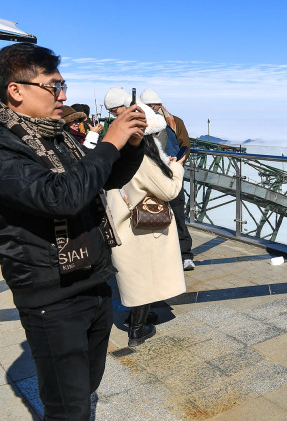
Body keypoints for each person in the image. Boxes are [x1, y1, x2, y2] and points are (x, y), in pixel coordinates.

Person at [0, 43, 146, 419]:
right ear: (15, 90)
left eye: (63, 85)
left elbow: (104, 177)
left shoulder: (57, 133)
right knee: (69, 405)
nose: (63, 95)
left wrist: (128, 145)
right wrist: (109, 140)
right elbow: (59, 197)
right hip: (52, 295)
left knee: (87, 384)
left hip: (92, 279)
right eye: (53, 86)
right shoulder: (6, 145)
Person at [107, 103, 187, 347]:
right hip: (142, 228)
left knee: (137, 275)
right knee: (144, 277)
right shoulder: (143, 160)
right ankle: (137, 330)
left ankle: (136, 319)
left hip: (123, 223)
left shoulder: (119, 154)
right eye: (156, 136)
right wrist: (177, 167)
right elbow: (169, 190)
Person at [139, 89, 194, 271]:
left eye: (153, 106)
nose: (152, 109)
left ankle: (185, 254)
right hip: (154, 174)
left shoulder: (175, 122)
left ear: (159, 105)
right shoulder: (144, 122)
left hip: (171, 172)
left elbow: (185, 145)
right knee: (156, 215)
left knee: (178, 214)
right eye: (148, 106)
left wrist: (178, 161)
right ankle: (166, 255)